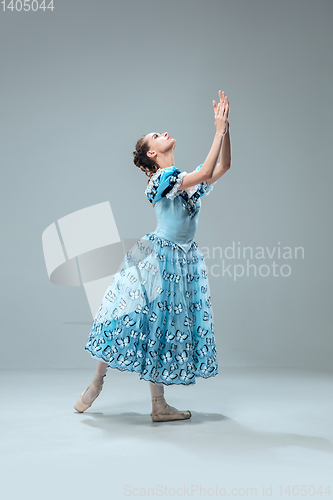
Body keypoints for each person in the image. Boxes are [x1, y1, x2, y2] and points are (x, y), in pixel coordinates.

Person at [74, 90, 231, 422]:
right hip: (156, 258)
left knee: (160, 326)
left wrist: (225, 129)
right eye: (157, 136)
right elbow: (203, 174)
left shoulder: (184, 181)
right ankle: (97, 380)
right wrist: (216, 131)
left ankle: (158, 405)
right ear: (151, 152)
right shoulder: (160, 180)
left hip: (183, 262)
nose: (164, 133)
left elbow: (223, 166)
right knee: (127, 314)